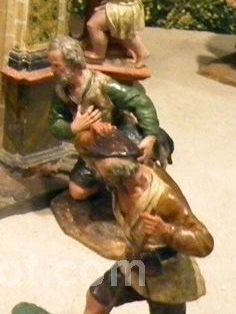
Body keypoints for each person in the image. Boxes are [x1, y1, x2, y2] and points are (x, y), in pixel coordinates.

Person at [82, 133, 213, 314]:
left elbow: (205, 242)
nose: (95, 172)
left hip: (167, 275)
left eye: (97, 168)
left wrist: (167, 231)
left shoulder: (165, 198)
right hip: (133, 264)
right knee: (98, 296)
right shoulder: (117, 185)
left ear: (115, 173)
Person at [48, 35, 171, 201]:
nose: (52, 71)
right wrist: (73, 128)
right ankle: (108, 184)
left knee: (134, 186)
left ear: (72, 63)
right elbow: (55, 122)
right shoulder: (62, 90)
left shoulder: (103, 85)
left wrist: (150, 136)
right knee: (78, 192)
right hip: (93, 146)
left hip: (120, 138)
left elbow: (141, 102)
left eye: (56, 65)